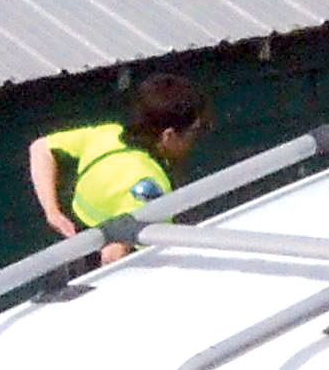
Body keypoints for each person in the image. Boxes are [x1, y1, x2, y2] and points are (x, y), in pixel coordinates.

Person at [28, 73, 209, 259]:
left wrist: (53, 212)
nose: (196, 139)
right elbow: (115, 253)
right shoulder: (148, 185)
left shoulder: (106, 135)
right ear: (168, 136)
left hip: (74, 245)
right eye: (194, 131)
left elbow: (40, 148)